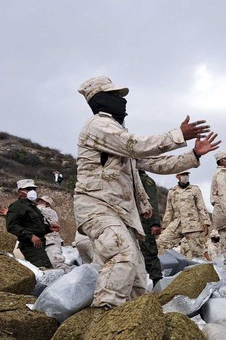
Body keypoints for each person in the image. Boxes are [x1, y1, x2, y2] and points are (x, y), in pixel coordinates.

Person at [75, 75, 211, 310]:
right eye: (116, 96)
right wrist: (178, 135)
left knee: (137, 279)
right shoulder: (98, 125)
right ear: (101, 99)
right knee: (122, 256)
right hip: (98, 207)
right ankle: (102, 320)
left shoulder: (117, 134)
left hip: (120, 213)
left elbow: (157, 164)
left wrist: (194, 156)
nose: (122, 101)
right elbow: (136, 145)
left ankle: (132, 327)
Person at [157, 171, 211, 259]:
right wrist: (164, 226)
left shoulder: (194, 189)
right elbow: (169, 210)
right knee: (161, 243)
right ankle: (167, 266)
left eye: (187, 175)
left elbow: (201, 206)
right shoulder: (172, 192)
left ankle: (209, 268)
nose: (185, 176)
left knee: (199, 252)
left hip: (192, 225)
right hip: (177, 224)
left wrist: (206, 222)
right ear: (177, 176)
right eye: (183, 175)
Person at [6, 179, 57, 268]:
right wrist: (30, 236)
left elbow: (34, 226)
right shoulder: (17, 206)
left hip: (40, 244)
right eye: (28, 189)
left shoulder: (32, 206)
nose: (32, 191)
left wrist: (49, 228)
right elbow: (11, 226)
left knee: (46, 270)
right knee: (45, 269)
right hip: (30, 245)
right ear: (19, 192)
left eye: (33, 189)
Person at [137, 170, 163, 285]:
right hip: (133, 222)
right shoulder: (129, 179)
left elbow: (151, 202)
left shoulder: (145, 181)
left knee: (149, 253)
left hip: (145, 223)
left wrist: (155, 223)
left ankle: (157, 283)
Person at [36, 196, 68, 270]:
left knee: (57, 262)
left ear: (48, 204)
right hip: (44, 241)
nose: (39, 203)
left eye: (42, 201)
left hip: (51, 240)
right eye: (39, 201)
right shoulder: (39, 211)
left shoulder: (49, 211)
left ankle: (69, 278)